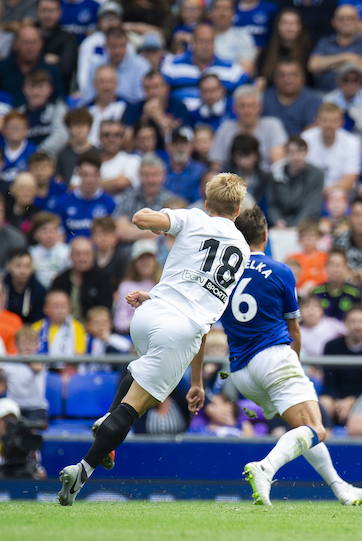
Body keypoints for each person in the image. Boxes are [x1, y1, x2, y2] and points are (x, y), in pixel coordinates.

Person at [56, 172, 251, 506]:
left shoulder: (192, 218)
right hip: (181, 329)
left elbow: (141, 218)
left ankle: (109, 420)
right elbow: (201, 314)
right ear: (238, 210)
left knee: (139, 371)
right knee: (133, 409)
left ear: (207, 203)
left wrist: (152, 221)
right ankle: (82, 470)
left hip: (148, 313)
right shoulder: (243, 250)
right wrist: (197, 380)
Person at [214, 206, 362, 506]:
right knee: (316, 428)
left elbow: (204, 329)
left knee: (304, 429)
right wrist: (293, 363)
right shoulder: (281, 270)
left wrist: (197, 381)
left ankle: (340, 488)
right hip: (273, 358)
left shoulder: (223, 273)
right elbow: (295, 330)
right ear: (265, 235)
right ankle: (265, 468)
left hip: (240, 372)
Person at [161, 22, 251, 103]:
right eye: (202, 41)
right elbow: (159, 94)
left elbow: (249, 93)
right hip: (181, 118)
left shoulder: (232, 70)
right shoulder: (172, 66)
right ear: (193, 43)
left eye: (209, 41)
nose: (206, 46)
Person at [322, 306, 362, 423]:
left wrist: (351, 401)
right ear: (345, 323)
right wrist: (338, 401)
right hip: (334, 397)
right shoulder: (331, 346)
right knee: (324, 403)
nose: (358, 326)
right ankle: (327, 438)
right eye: (353, 321)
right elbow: (329, 380)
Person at [209, 85, 288, 172]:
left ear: (260, 108)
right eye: (242, 106)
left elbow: (278, 163)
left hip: (266, 179)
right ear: (234, 109)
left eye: (252, 106)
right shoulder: (225, 128)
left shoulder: (272, 125)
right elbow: (216, 165)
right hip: (232, 180)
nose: (247, 111)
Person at [50, 236, 115, 321]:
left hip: (93, 327)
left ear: (93, 256)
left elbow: (105, 309)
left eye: (87, 254)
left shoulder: (103, 279)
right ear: (70, 256)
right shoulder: (60, 280)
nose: (82, 258)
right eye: (77, 254)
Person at [308, 5, 362, 93]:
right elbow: (313, 65)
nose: (346, 22)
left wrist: (329, 64)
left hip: (357, 96)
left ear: (358, 21)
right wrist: (345, 58)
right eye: (341, 19)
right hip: (324, 95)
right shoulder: (325, 43)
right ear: (334, 22)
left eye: (350, 18)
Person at [302, 102, 362, 192]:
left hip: (340, 192)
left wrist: (325, 191)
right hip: (309, 191)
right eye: (324, 120)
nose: (328, 125)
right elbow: (300, 174)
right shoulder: (305, 139)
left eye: (334, 121)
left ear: (341, 122)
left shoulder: (352, 142)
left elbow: (349, 180)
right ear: (316, 120)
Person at [267, 137, 325, 227]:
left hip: (305, 225)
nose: (296, 156)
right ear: (285, 154)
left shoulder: (317, 174)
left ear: (306, 153)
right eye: (292, 152)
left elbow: (311, 205)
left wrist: (296, 226)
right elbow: (272, 203)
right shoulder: (276, 173)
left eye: (300, 151)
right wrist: (278, 221)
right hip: (280, 225)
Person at [262, 59, 323, 137]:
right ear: (275, 78)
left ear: (302, 78)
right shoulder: (264, 98)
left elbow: (312, 131)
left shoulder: (314, 101)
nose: (287, 80)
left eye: (293, 75)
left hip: (302, 146)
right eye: (282, 75)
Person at [323, 62, 362, 134]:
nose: (350, 84)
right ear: (338, 81)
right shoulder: (328, 100)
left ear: (361, 81)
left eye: (355, 80)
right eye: (346, 80)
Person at [312, 250, 362, 321]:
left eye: (339, 265)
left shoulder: (355, 293)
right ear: (326, 267)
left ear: (346, 268)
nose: (335, 269)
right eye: (332, 265)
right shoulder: (316, 292)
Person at [4, 249, 46, 324]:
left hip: (28, 330)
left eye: (27, 266)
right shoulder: (2, 286)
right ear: (8, 266)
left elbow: (39, 320)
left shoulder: (39, 290)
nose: (23, 271)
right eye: (18, 266)